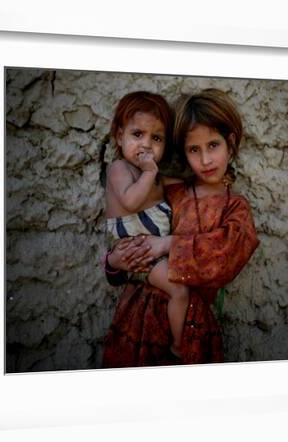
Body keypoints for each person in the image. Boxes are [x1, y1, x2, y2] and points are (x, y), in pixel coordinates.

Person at [102, 89, 260, 367]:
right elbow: (127, 248)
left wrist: (167, 244)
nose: (206, 160)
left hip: (190, 326)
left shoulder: (234, 208)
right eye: (194, 150)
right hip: (137, 320)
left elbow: (225, 257)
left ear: (231, 143)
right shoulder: (168, 192)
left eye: (213, 145)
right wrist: (114, 261)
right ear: (182, 151)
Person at [102, 91, 189, 358]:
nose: (147, 145)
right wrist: (150, 172)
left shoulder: (156, 177)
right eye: (137, 134)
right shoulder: (120, 169)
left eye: (157, 138)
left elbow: (185, 185)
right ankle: (178, 344)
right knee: (180, 290)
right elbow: (129, 201)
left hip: (149, 255)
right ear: (119, 137)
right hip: (137, 255)